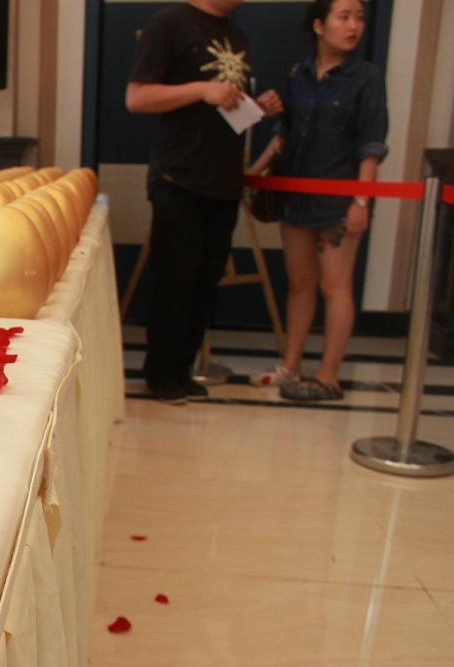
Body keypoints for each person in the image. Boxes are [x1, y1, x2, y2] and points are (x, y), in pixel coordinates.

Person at [126, 0, 283, 403]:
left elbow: (226, 108)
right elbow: (137, 98)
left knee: (205, 282)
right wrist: (201, 89)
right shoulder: (169, 23)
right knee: (176, 280)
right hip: (179, 177)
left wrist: (256, 108)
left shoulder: (237, 34)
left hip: (224, 180)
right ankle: (161, 374)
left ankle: (182, 371)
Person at [248, 0, 387, 401]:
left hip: (339, 196)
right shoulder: (299, 73)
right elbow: (284, 131)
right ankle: (290, 365)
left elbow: (371, 144)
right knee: (299, 282)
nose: (354, 25)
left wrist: (361, 200)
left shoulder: (366, 77)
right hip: (295, 193)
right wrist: (255, 171)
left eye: (359, 18)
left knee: (335, 285)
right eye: (344, 17)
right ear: (319, 25)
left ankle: (329, 375)